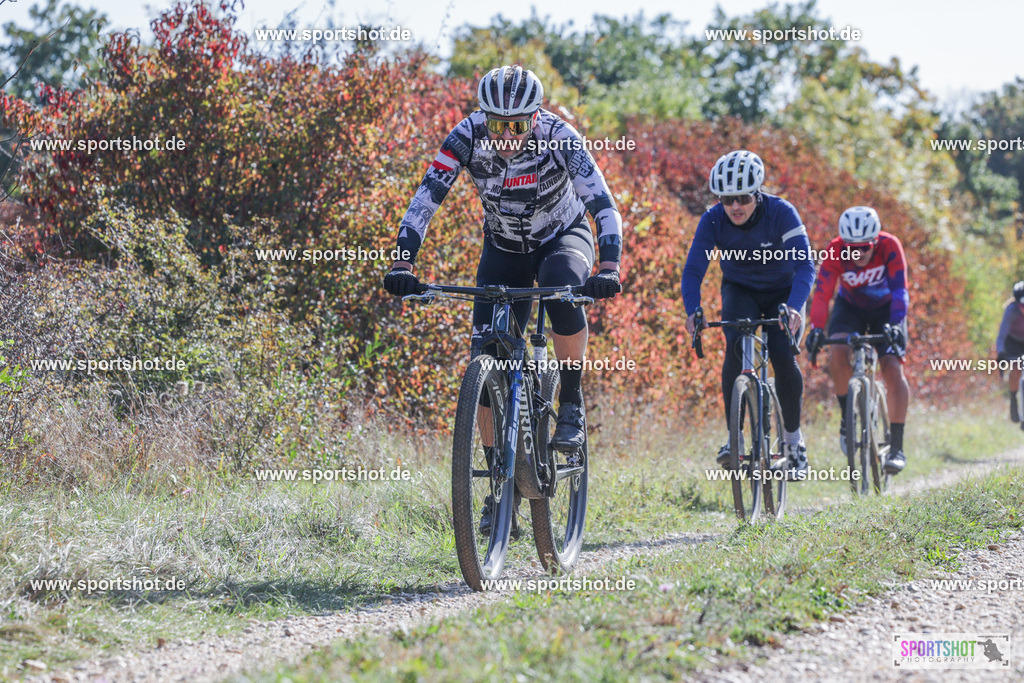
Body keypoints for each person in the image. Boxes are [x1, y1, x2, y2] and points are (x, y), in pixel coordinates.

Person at [382, 64, 623, 531]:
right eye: (498, 125)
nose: (507, 135)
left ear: (534, 118)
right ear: (483, 117)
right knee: (488, 353)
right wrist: (403, 262)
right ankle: (501, 489)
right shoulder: (466, 136)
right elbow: (425, 198)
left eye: (517, 125)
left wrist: (609, 267)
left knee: (561, 295)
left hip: (561, 236)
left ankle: (570, 401)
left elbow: (602, 203)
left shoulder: (560, 135)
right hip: (504, 246)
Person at [682, 150, 814, 479]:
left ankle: (794, 444)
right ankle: (734, 439)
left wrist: (796, 307)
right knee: (737, 348)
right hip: (740, 289)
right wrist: (692, 309)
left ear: (757, 194)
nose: (735, 207)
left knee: (783, 356)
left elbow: (805, 267)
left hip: (784, 292)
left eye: (742, 198)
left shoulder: (782, 213)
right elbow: (693, 271)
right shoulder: (712, 219)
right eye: (728, 200)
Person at [805, 206, 910, 474]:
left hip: (887, 310)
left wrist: (897, 324)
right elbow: (822, 294)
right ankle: (847, 417)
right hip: (850, 307)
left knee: (892, 367)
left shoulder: (889, 246)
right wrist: (816, 328)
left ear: (875, 241)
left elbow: (900, 289)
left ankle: (896, 447)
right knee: (836, 351)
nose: (858, 254)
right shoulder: (834, 250)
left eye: (864, 248)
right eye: (852, 248)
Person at [996, 281, 1024, 423]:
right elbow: (1001, 336)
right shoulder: (1011, 311)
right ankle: (1013, 398)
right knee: (1016, 370)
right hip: (1013, 342)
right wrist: (1000, 354)